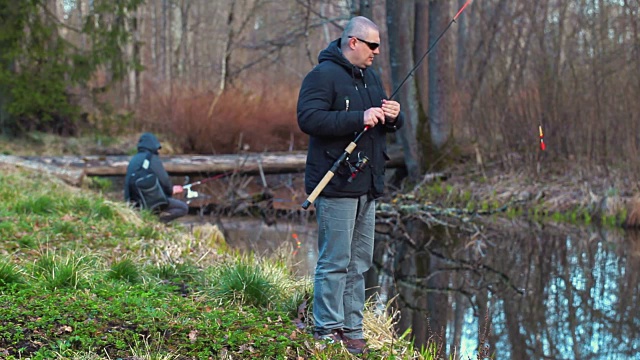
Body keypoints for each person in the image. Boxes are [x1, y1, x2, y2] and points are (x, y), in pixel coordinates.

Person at [296, 16, 403, 354]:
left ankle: (352, 328)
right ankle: (326, 330)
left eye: (379, 46)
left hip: (368, 185)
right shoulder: (322, 76)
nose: (377, 52)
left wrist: (393, 115)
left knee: (360, 263)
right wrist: (359, 117)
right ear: (353, 42)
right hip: (336, 185)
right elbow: (309, 119)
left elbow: (383, 125)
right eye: (372, 45)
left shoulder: (371, 77)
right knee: (334, 261)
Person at [124, 132, 188, 223]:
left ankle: (148, 220)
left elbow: (127, 183)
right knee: (183, 208)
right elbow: (164, 180)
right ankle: (157, 223)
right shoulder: (151, 158)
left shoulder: (134, 160)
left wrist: (127, 204)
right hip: (150, 202)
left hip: (136, 203)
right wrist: (171, 190)